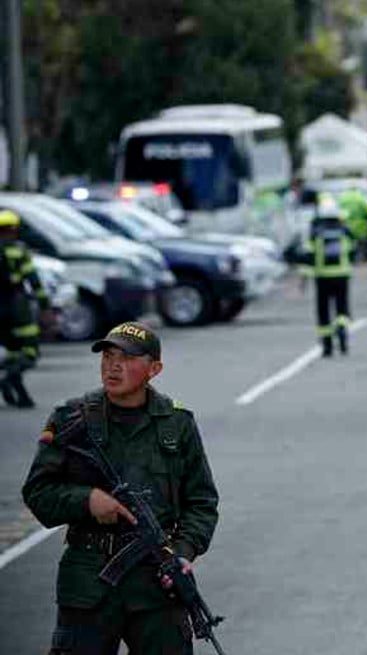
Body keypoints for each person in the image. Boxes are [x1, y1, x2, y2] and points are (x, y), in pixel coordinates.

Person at [22, 321, 219, 655]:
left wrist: (183, 554)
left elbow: (201, 502)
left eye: (127, 358)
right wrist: (87, 500)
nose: (113, 366)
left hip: (156, 583)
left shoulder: (177, 424)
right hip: (89, 581)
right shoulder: (72, 418)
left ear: (154, 369)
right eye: (108, 356)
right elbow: (38, 492)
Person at [0, 209, 51, 407]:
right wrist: (45, 307)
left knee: (12, 350)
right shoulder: (19, 252)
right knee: (30, 350)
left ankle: (20, 395)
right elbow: (34, 282)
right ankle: (7, 379)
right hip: (17, 307)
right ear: (13, 229)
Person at [300, 198, 354, 357]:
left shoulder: (316, 233)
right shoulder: (345, 230)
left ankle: (327, 346)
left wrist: (303, 279)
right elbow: (353, 250)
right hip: (342, 275)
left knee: (323, 311)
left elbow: (308, 257)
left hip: (322, 277)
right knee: (342, 307)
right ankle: (342, 329)